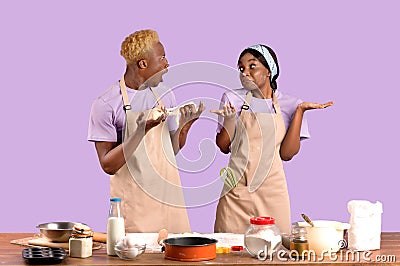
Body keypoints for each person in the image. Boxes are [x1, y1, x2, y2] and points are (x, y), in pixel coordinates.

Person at [88, 29, 204, 233]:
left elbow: (169, 151)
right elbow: (108, 165)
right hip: (136, 206)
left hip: (169, 200)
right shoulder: (106, 103)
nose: (167, 64)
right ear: (143, 64)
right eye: (162, 58)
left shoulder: (165, 96)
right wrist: (141, 130)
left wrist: (185, 128)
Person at [212, 44, 333, 234]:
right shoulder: (232, 98)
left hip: (272, 192)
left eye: (252, 66)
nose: (245, 73)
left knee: (275, 251)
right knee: (229, 252)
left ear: (269, 71)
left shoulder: (291, 104)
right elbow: (223, 146)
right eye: (241, 68)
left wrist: (300, 112)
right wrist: (229, 119)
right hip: (237, 192)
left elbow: (287, 154)